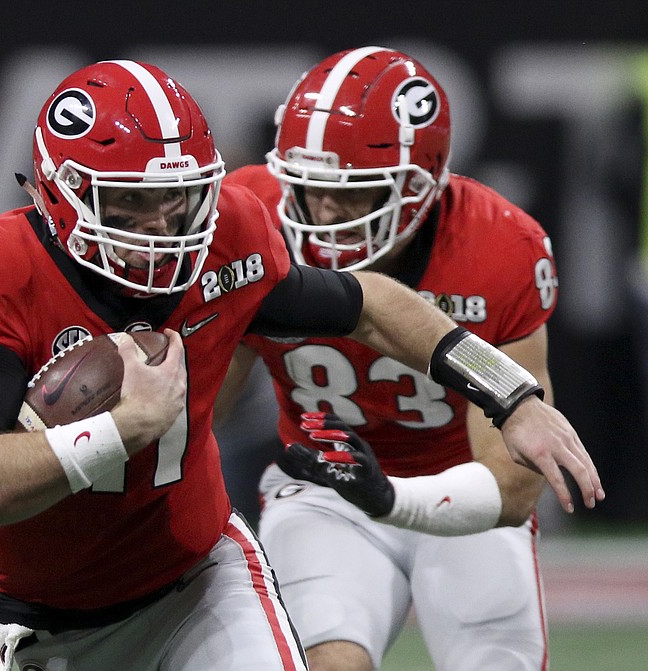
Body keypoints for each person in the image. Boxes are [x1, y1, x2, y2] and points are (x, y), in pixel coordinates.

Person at [0, 59, 602, 671]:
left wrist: (513, 394)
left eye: (173, 198)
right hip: (62, 619)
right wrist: (123, 428)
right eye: (129, 199)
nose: (157, 225)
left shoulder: (229, 239)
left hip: (204, 578)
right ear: (61, 192)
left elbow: (370, 305)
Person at [215, 46, 573, 671]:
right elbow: (198, 409)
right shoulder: (252, 222)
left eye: (353, 193)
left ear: (418, 184)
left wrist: (395, 500)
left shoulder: (498, 246)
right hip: (324, 486)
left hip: (465, 494)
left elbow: (513, 488)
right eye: (309, 186)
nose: (324, 213)